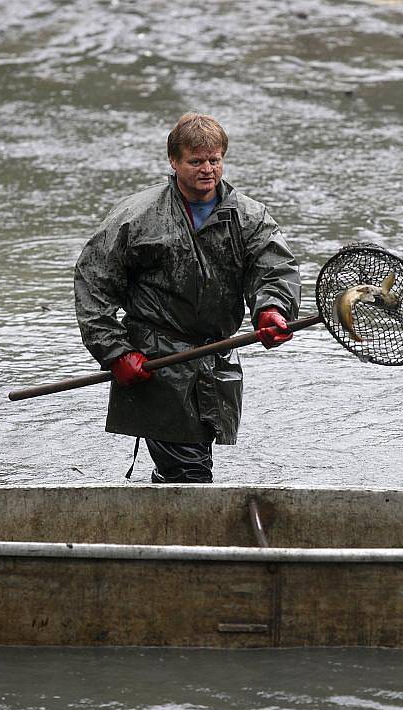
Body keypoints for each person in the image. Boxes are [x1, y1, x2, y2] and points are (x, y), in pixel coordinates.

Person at [74, 113, 301, 483]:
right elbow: (93, 284)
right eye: (196, 161)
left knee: (192, 460)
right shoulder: (137, 217)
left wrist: (271, 309)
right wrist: (114, 351)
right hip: (155, 363)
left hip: (217, 356)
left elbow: (274, 269)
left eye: (215, 160)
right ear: (174, 161)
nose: (208, 169)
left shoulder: (249, 217)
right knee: (190, 472)